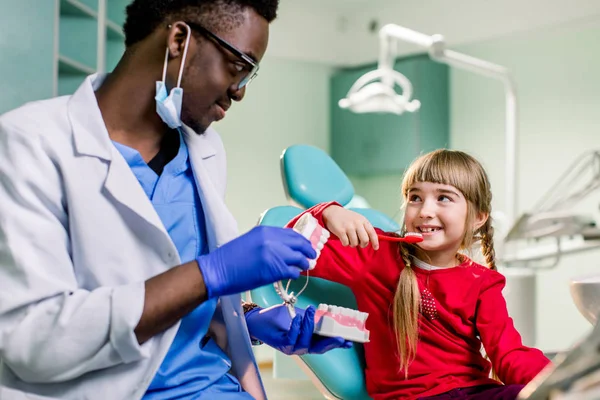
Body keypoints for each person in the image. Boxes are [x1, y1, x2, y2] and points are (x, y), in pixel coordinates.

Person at [0, 1, 351, 399]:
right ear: (179, 40)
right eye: (239, 66)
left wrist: (249, 321)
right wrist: (209, 273)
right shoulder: (30, 144)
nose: (240, 92)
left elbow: (184, 308)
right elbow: (35, 341)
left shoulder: (205, 150)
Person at [285, 149, 551, 400]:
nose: (425, 211)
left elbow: (509, 354)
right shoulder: (375, 254)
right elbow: (286, 249)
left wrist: (555, 380)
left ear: (478, 217)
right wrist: (328, 212)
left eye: (443, 198)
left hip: (475, 391)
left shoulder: (483, 282)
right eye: (415, 198)